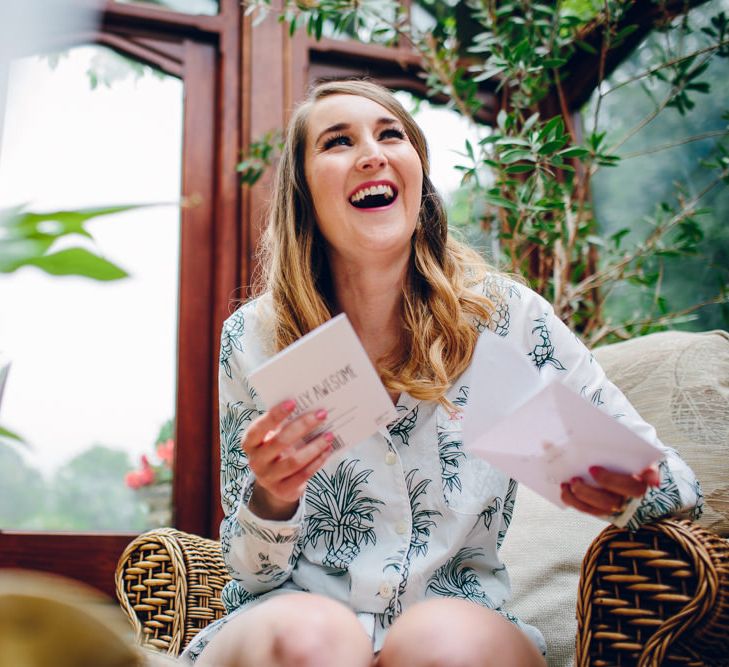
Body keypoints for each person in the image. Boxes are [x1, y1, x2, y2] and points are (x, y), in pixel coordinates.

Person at [181, 79, 701, 667]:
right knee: (310, 638)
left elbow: (674, 487)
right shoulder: (255, 337)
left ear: (417, 175)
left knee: (444, 644)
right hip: (295, 611)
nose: (372, 153)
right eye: (337, 141)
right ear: (303, 192)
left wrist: (625, 490)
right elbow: (249, 568)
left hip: (462, 620)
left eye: (390, 135)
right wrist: (273, 497)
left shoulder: (508, 318)